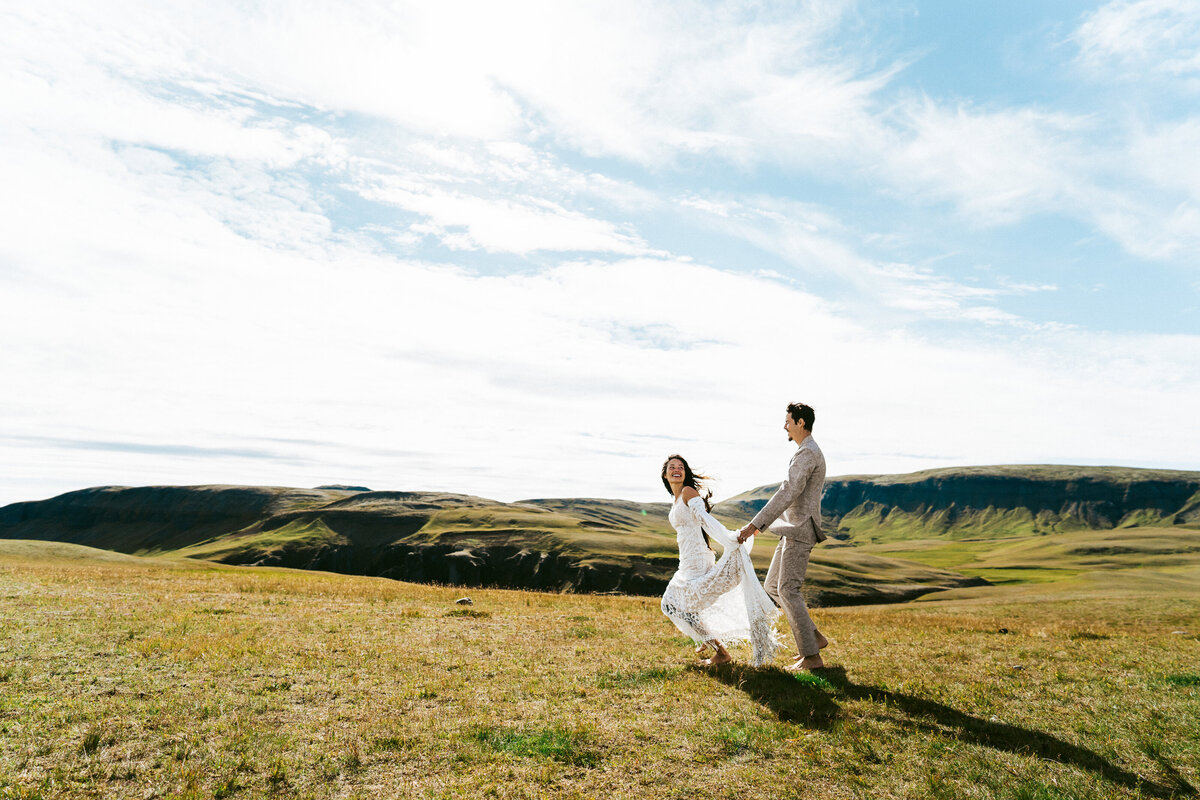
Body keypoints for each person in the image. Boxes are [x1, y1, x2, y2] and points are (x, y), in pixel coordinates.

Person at [659, 454, 781, 667]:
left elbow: (704, 518)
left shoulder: (688, 492)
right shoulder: (677, 499)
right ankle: (710, 641)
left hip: (697, 559)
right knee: (679, 605)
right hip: (687, 559)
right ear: (665, 474)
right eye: (672, 467)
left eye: (680, 467)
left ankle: (718, 650)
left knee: (674, 603)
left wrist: (729, 538)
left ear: (685, 473)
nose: (676, 469)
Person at [737, 402, 830, 672]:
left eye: (788, 420)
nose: (785, 425)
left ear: (801, 423)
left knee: (788, 589)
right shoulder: (806, 451)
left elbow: (788, 491)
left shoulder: (807, 453)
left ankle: (812, 657)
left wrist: (755, 525)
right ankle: (813, 637)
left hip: (800, 529)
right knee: (773, 587)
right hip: (791, 528)